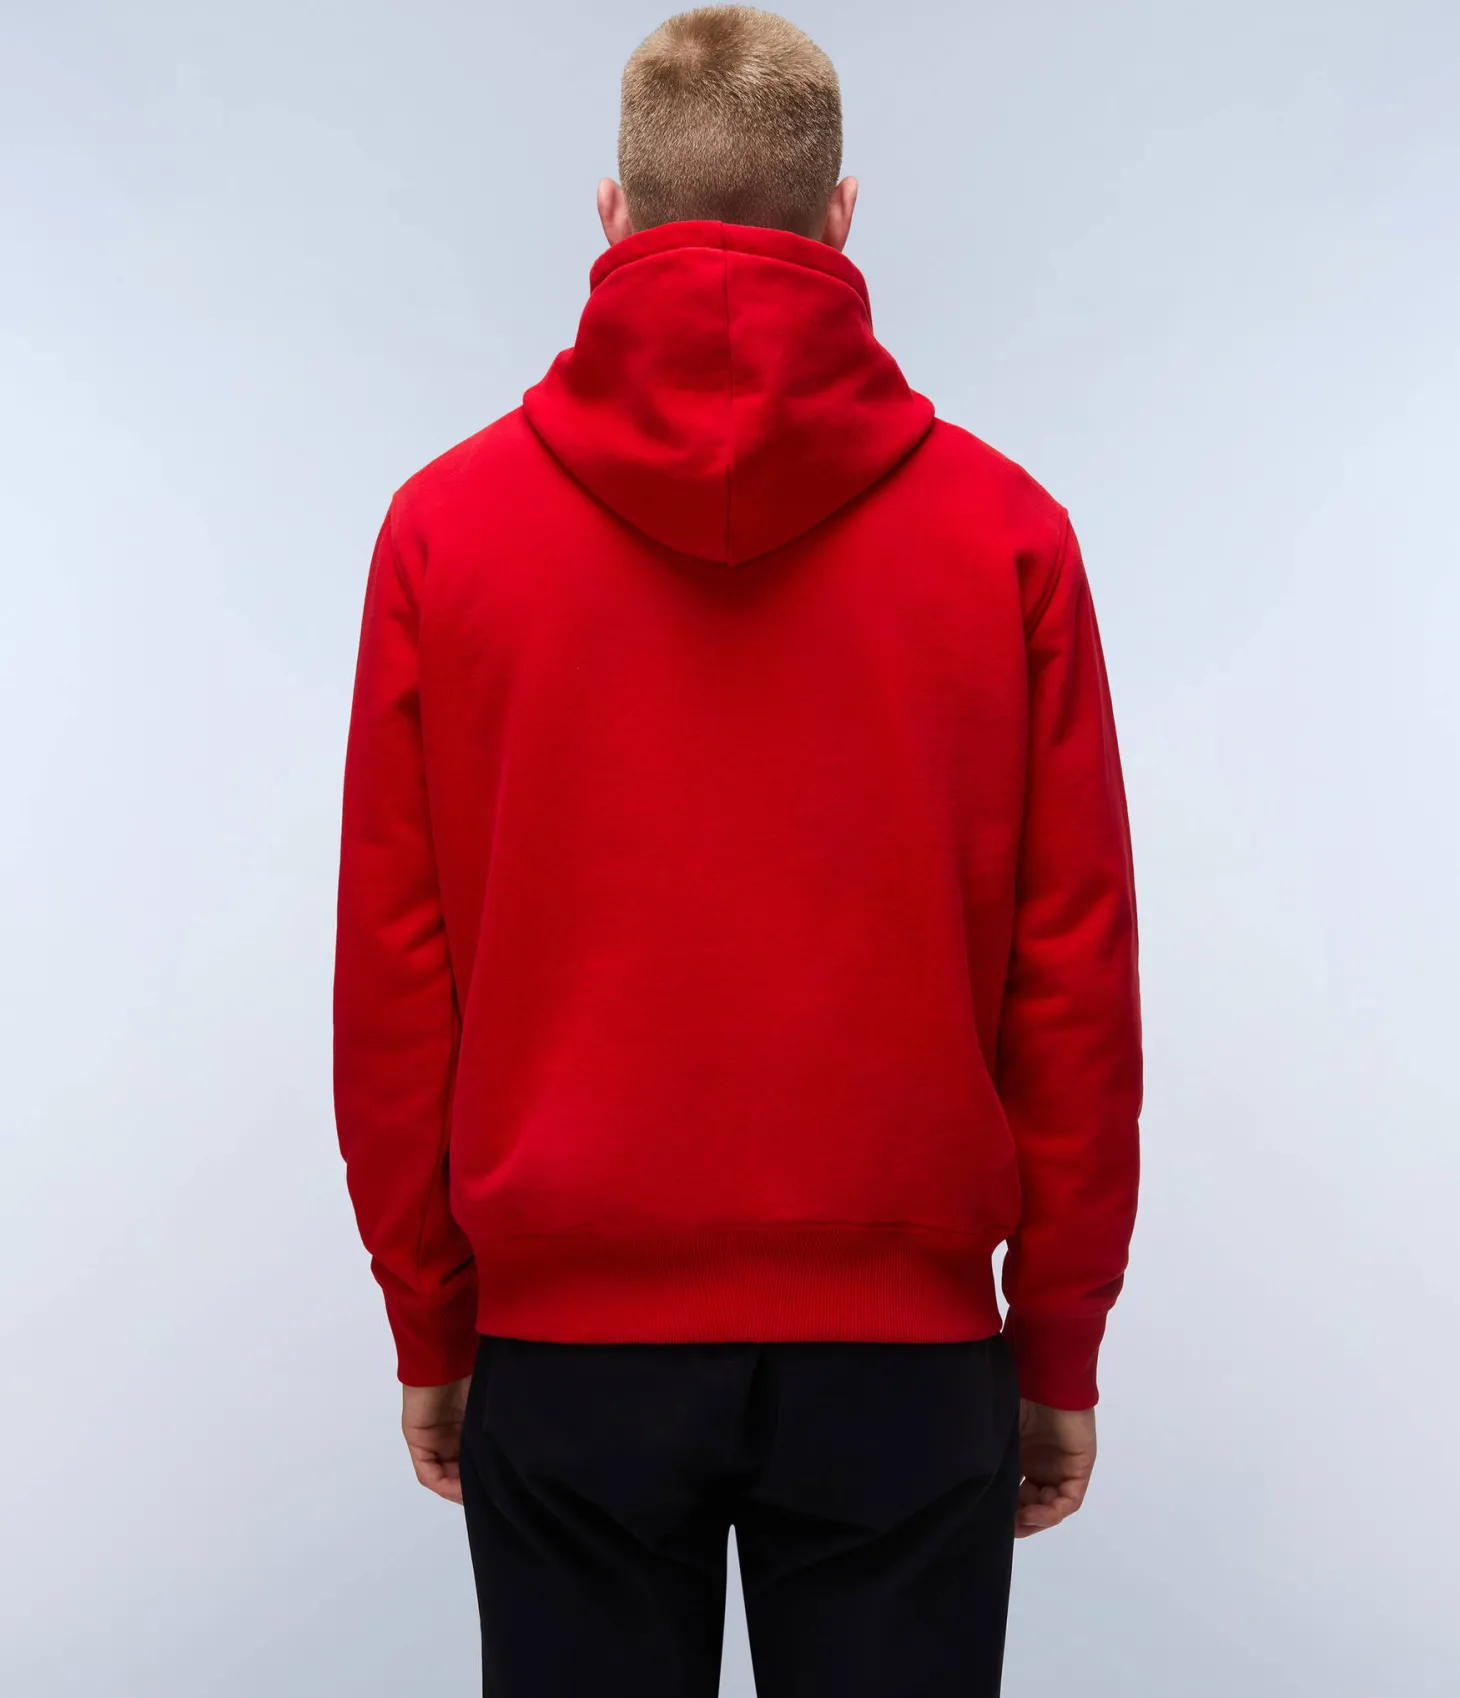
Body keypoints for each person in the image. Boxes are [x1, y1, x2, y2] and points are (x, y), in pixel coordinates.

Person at [332, 7, 1142, 1694]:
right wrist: (1057, 1338)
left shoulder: (443, 535)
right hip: (908, 1363)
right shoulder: (1009, 539)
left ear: (610, 211)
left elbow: (397, 970)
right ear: (841, 216)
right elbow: (1071, 973)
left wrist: (433, 1314)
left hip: (565, 1351)